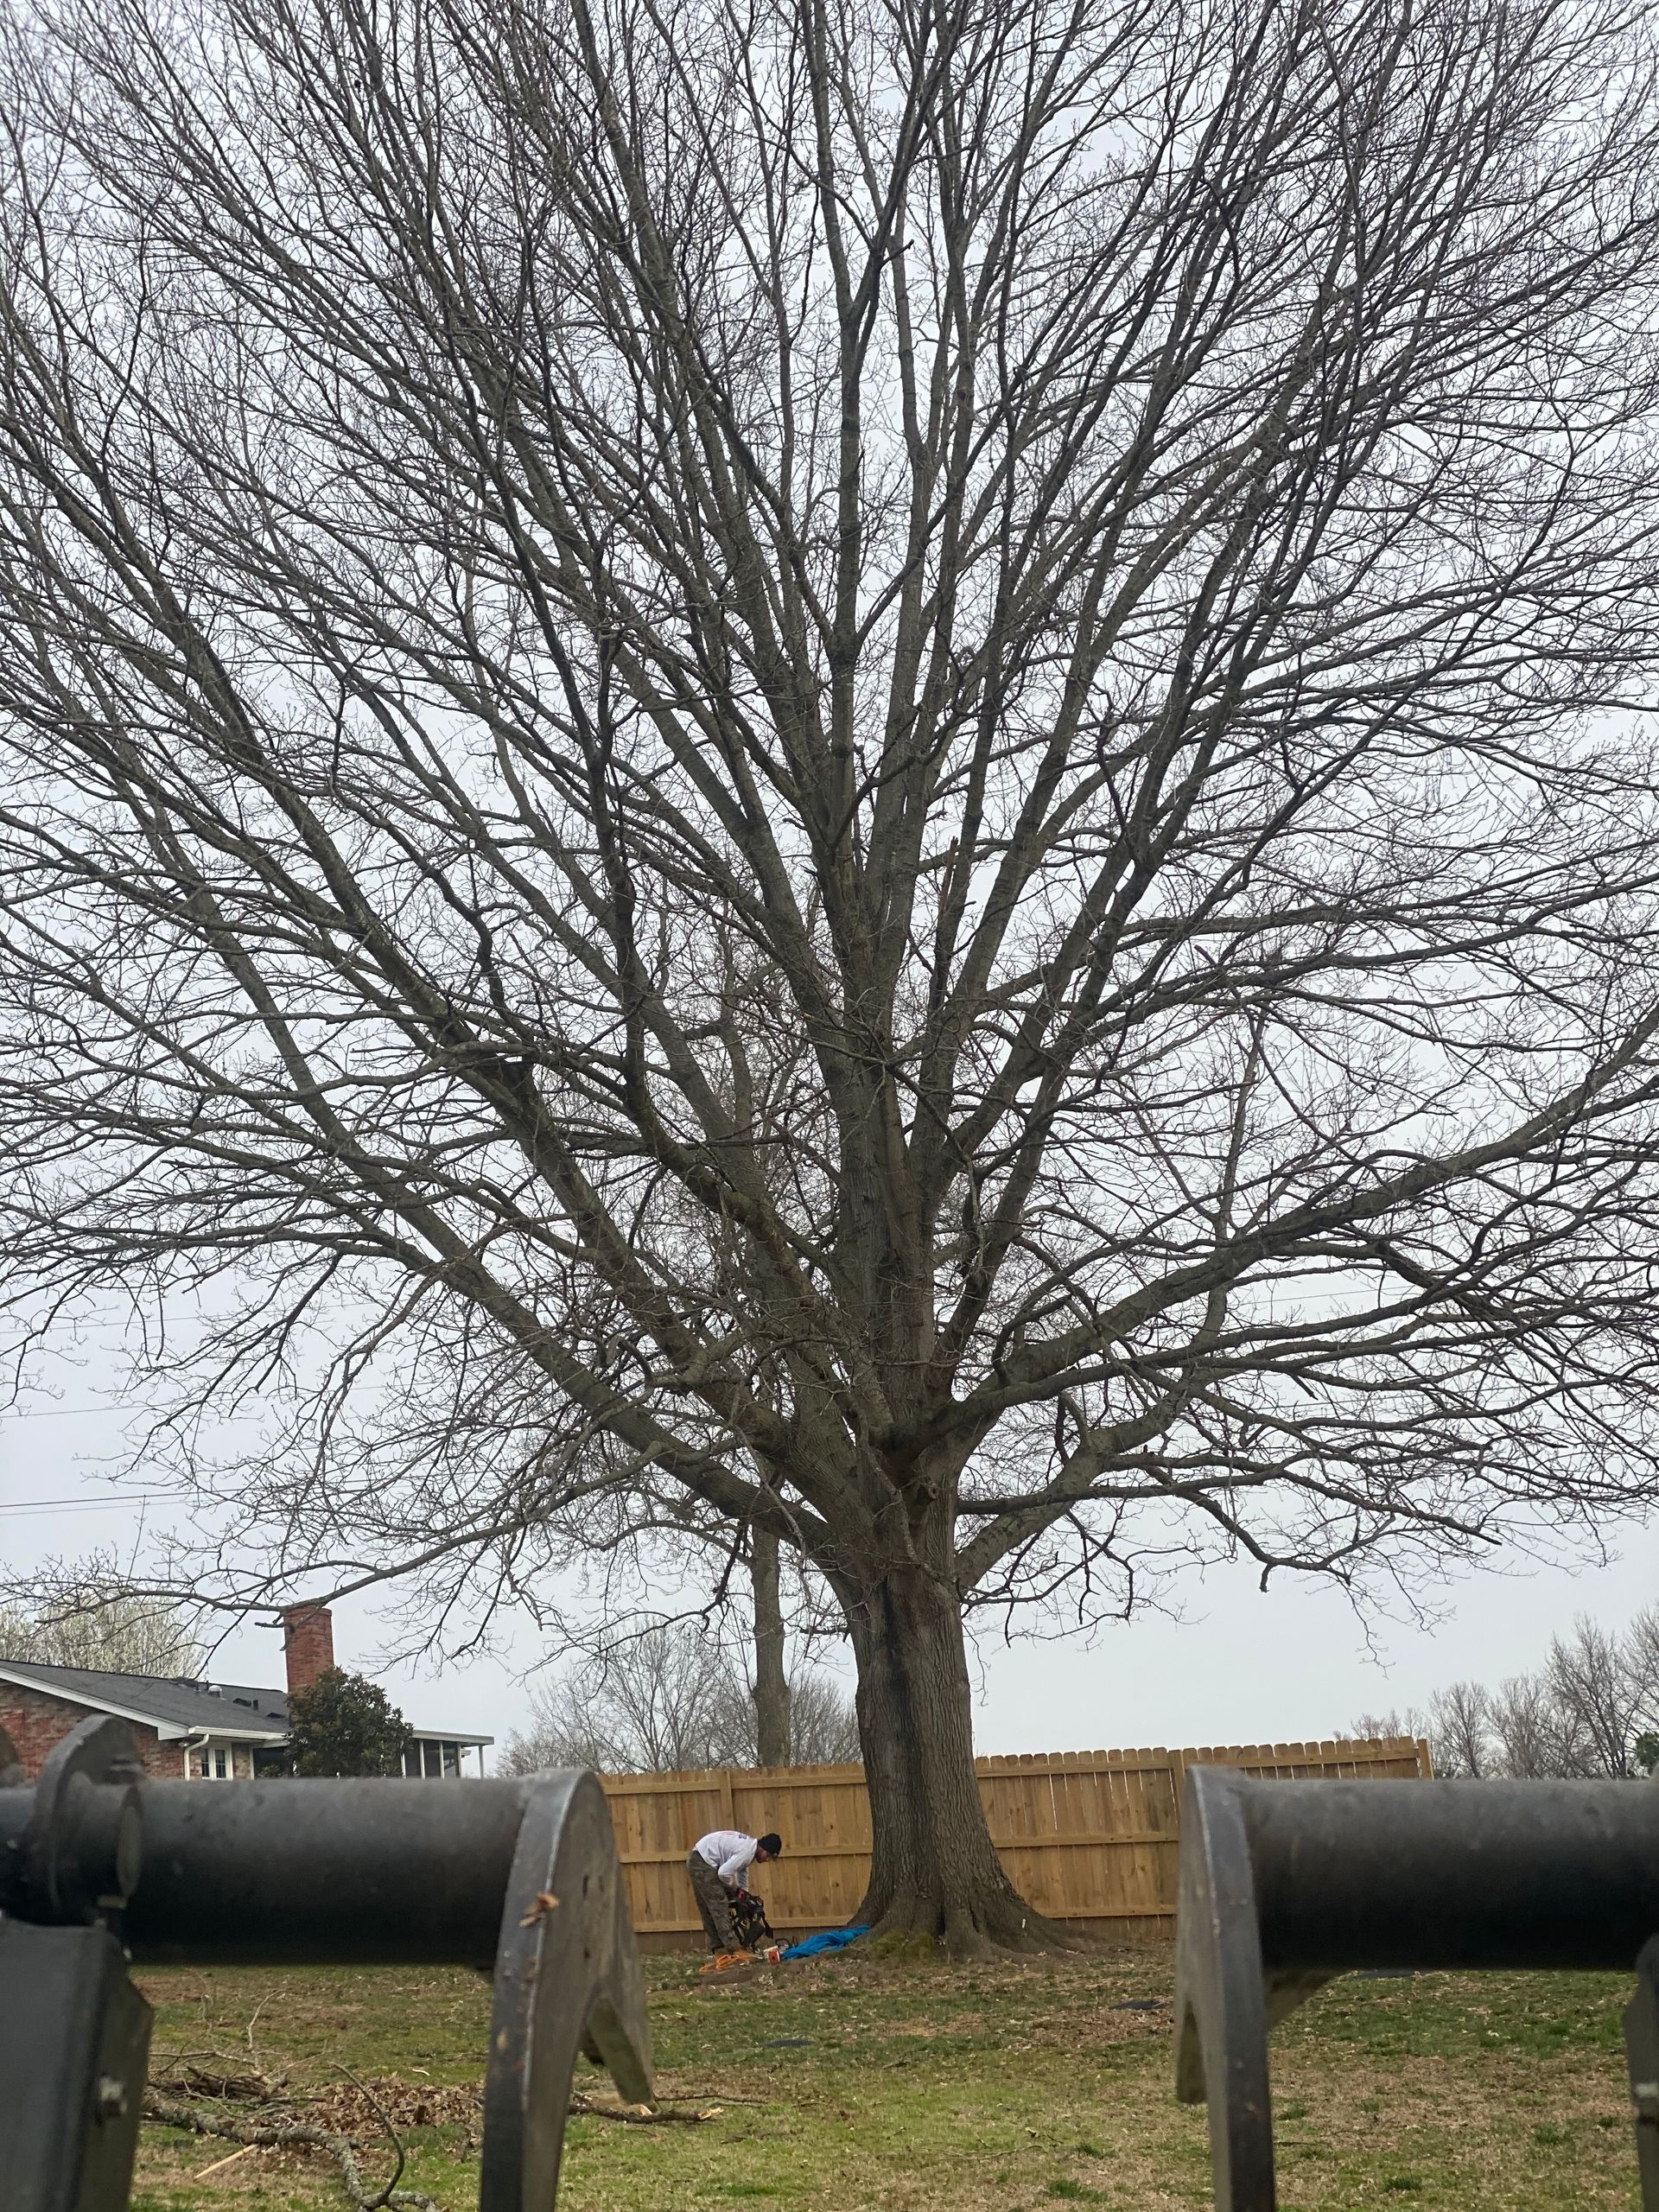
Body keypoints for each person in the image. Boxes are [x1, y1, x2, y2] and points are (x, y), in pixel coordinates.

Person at [686, 1827, 782, 1967]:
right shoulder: (747, 1851)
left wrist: (744, 1894)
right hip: (703, 1863)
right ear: (764, 1848)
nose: (767, 1860)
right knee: (719, 1905)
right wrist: (736, 1889)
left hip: (699, 1859)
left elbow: (741, 1871)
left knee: (708, 1908)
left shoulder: (749, 1848)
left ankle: (719, 1950)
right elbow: (724, 1873)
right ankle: (734, 1949)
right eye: (768, 1856)